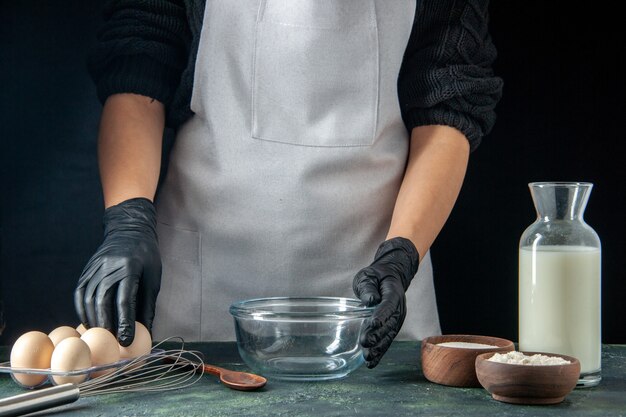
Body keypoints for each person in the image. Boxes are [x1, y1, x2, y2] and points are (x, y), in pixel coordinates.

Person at [75, 0, 502, 368]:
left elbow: (448, 102)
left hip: (372, 285)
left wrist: (401, 255)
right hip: (206, 283)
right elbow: (139, 59)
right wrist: (128, 218)